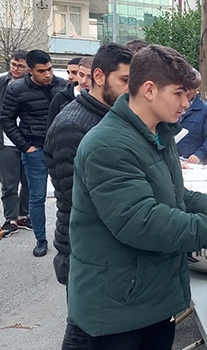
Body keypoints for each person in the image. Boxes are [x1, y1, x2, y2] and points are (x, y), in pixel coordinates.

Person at [66, 44, 207, 350]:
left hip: (151, 302)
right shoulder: (108, 145)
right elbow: (144, 222)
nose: (187, 103)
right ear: (149, 89)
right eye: (178, 93)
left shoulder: (156, 134)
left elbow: (177, 196)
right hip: (114, 311)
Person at [44, 43, 133, 350]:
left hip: (100, 253)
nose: (130, 91)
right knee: (85, 336)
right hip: (83, 254)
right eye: (124, 81)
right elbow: (78, 202)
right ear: (98, 76)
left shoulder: (107, 117)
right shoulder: (74, 125)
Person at [0, 50, 66, 256]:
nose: (47, 74)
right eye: (42, 71)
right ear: (30, 71)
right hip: (34, 149)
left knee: (68, 195)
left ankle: (68, 240)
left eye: (50, 69)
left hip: (61, 149)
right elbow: (6, 119)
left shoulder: (62, 85)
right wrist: (24, 146)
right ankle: (40, 240)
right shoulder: (16, 89)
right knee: (36, 197)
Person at [0, 49, 31, 236]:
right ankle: (10, 218)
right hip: (7, 141)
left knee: (28, 182)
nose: (15, 69)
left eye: (20, 66)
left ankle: (23, 215)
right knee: (9, 183)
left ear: (28, 68)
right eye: (13, 64)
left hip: (28, 140)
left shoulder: (33, 85)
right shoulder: (2, 82)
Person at [176, 69, 207, 165]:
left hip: (195, 166)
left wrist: (199, 154)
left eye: (189, 89)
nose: (186, 92)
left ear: (197, 88)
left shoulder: (206, 111)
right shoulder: (170, 106)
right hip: (173, 163)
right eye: (183, 88)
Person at [47, 56, 94, 129]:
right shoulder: (61, 96)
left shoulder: (102, 99)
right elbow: (50, 127)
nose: (84, 80)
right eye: (81, 75)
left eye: (90, 77)